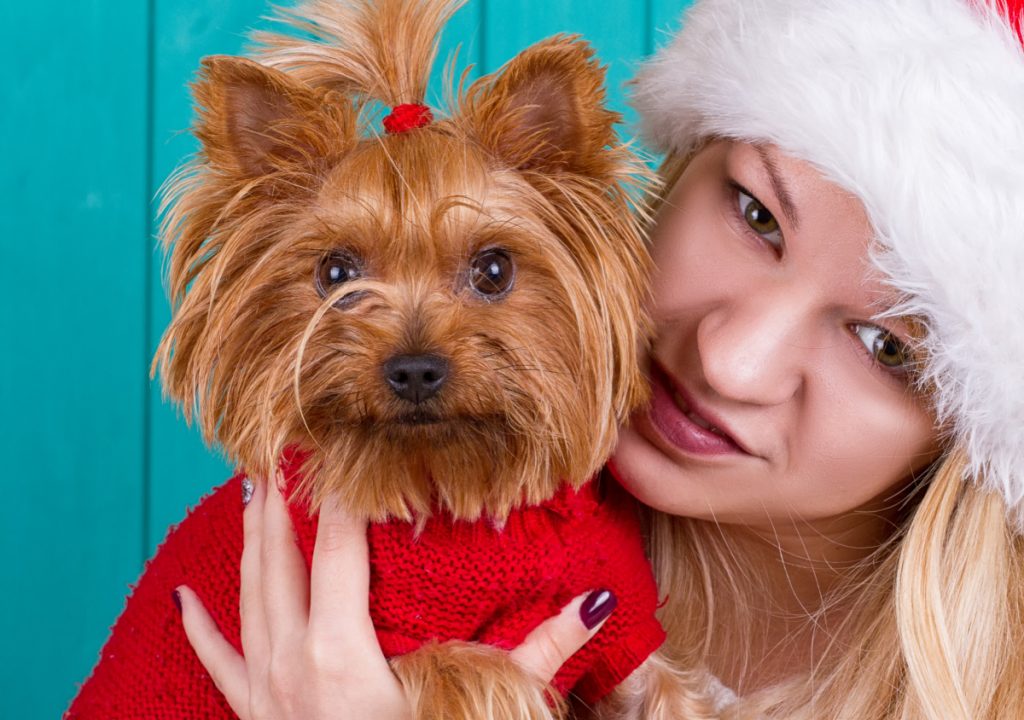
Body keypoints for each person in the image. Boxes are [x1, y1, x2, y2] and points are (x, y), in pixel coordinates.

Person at [176, 0, 1024, 718]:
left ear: (979, 431)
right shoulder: (339, 535)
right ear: (677, 167)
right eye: (757, 215)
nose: (733, 362)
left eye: (886, 345)